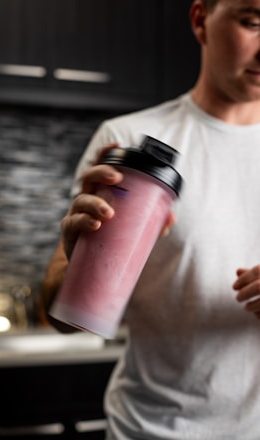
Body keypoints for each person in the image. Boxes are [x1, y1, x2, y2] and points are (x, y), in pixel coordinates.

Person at [39, 0, 260, 438]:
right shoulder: (128, 142)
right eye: (253, 22)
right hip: (149, 429)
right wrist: (80, 268)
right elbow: (62, 319)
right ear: (200, 20)